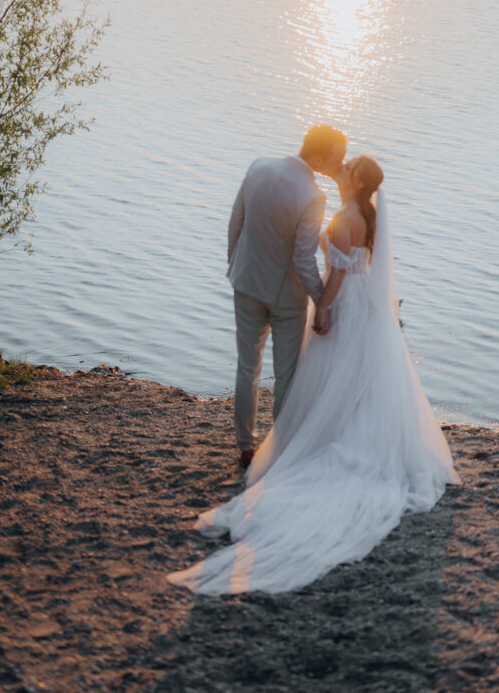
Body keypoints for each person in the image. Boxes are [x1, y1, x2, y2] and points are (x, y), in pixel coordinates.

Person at [168, 155, 460, 596]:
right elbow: (357, 263)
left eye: (350, 165)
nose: (342, 166)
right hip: (368, 309)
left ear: (358, 179)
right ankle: (327, 433)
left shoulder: (345, 216)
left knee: (326, 373)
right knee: (358, 378)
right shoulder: (368, 214)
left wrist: (321, 306)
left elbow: (339, 271)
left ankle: (290, 443)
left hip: (343, 302)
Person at [226, 125, 347, 467]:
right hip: (286, 298)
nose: (340, 164)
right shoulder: (313, 195)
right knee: (286, 375)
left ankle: (245, 447)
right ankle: (279, 447)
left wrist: (235, 266)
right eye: (337, 158)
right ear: (319, 157)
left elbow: (236, 220)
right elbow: (302, 259)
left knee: (247, 367)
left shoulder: (258, 166)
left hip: (246, 283)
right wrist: (323, 300)